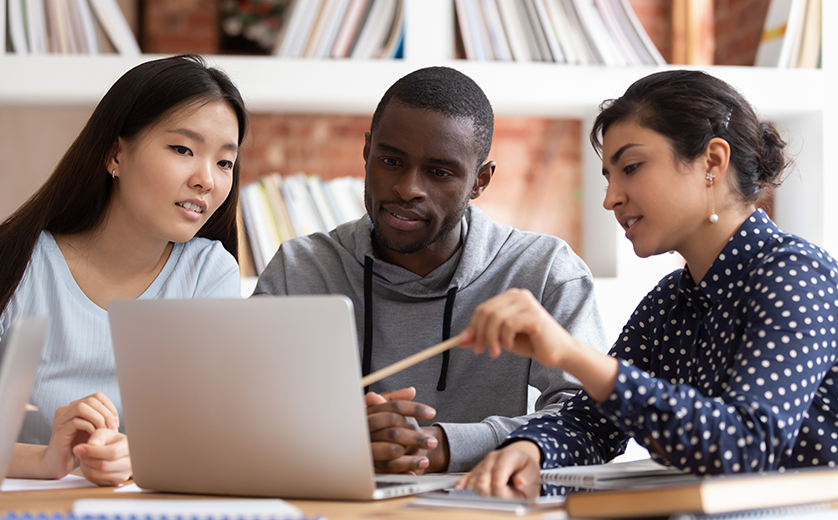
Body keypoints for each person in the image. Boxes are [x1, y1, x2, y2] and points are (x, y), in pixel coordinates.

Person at [455, 69, 838, 496]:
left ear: (713, 162)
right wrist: (532, 449)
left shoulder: (796, 273)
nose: (610, 198)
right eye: (607, 176)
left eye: (631, 167)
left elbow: (745, 447)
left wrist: (571, 354)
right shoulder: (669, 302)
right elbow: (592, 424)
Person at [253, 66, 608, 474]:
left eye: (439, 172)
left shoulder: (544, 272)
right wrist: (335, 436)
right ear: (367, 153)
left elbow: (590, 421)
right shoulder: (300, 270)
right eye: (391, 161)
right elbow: (240, 414)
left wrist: (443, 445)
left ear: (480, 181)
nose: (408, 188)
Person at [0, 54, 248, 485]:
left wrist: (141, 456)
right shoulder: (17, 263)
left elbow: (220, 434)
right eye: (183, 149)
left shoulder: (209, 274)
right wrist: (44, 460)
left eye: (224, 162)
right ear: (116, 153)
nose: (207, 179)